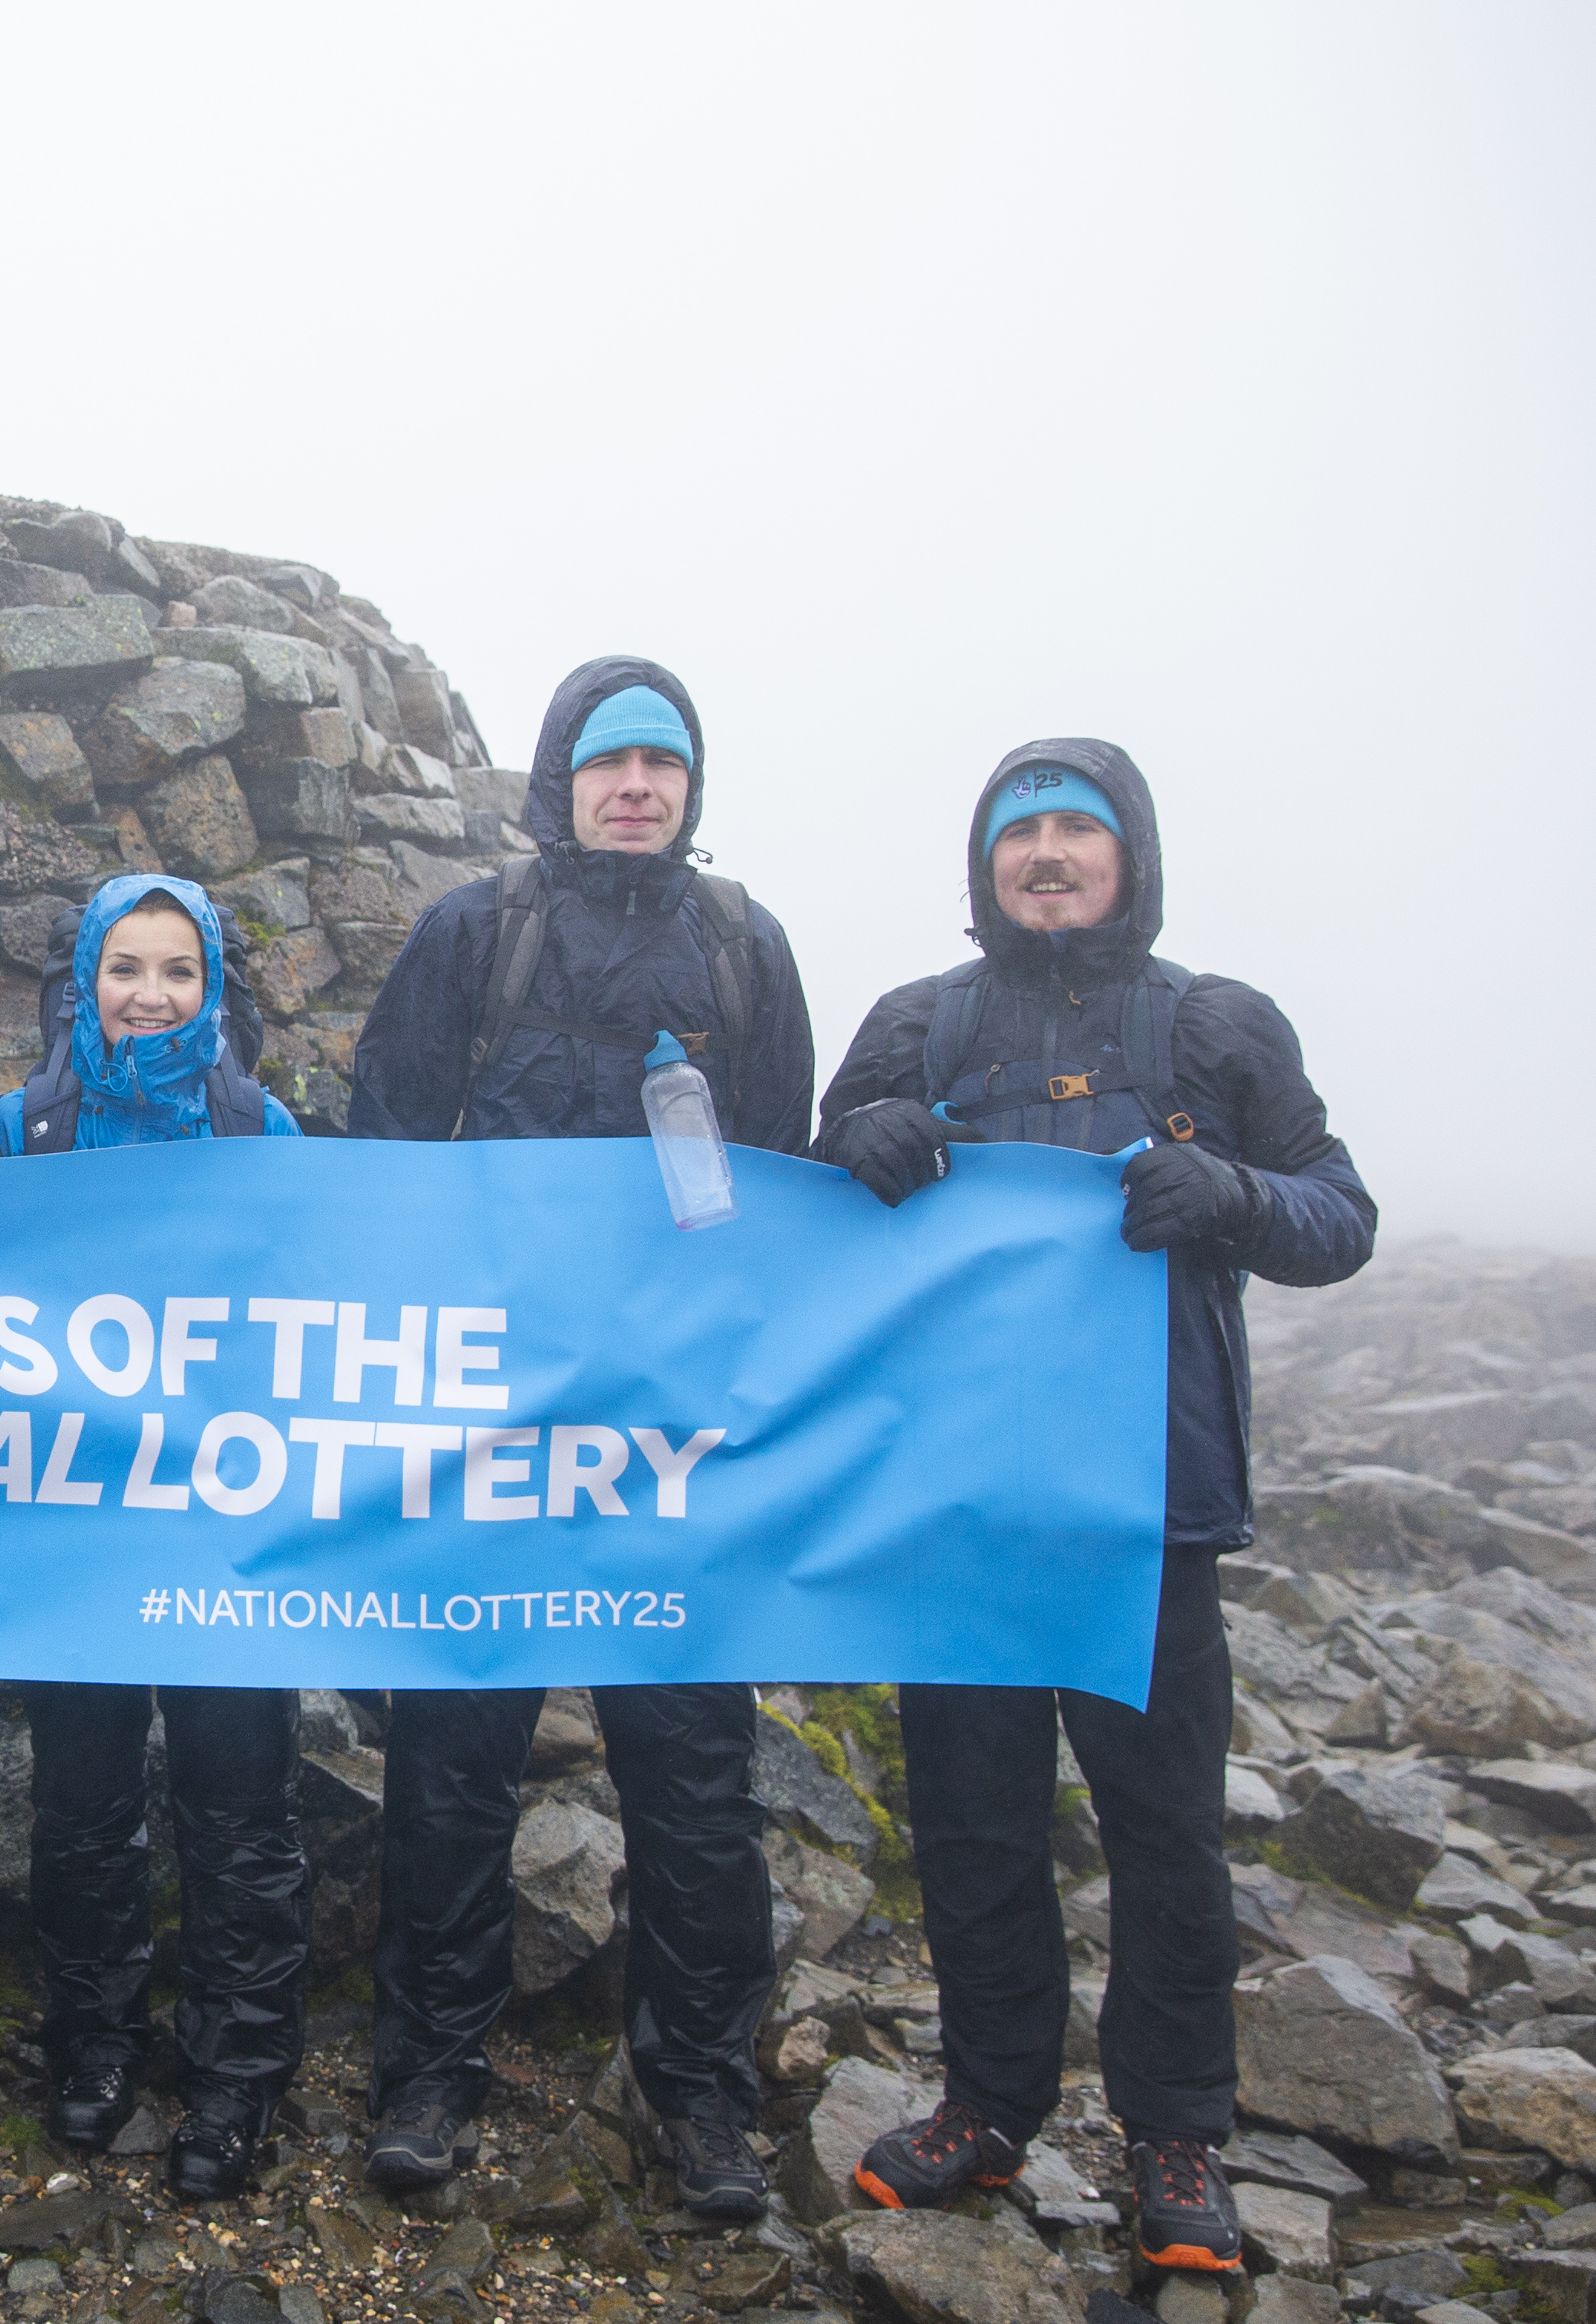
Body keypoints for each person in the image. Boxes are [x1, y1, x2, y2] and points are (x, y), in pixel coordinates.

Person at [823, 745, 1374, 2273]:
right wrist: (851, 1144)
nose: (1048, 853)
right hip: (958, 1505)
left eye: (1078, 829)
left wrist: (1243, 1202)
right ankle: (987, 2107)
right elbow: (815, 1202)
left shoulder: (1214, 1027)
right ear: (985, 861)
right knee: (975, 1827)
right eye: (1021, 833)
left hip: (1148, 1513)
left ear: (1130, 853)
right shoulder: (918, 1021)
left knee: (1167, 1835)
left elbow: (1342, 1208)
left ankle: (1177, 2137)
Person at [343, 656, 813, 2220]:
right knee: (450, 1764)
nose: (635, 787)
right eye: (608, 761)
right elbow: (384, 1163)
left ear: (690, 787)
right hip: (488, 1437)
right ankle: (428, 2069)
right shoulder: (476, 936)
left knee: (694, 1781)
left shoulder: (745, 951)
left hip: (666, 1457)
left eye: (662, 765)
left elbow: (782, 1193)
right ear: (559, 777)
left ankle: (703, 2100)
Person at [0, 874, 312, 2203]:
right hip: (78, 1528)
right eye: (126, 968)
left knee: (240, 1810)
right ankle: (93, 2044)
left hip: (226, 1532)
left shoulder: (266, 1126)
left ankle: (238, 2076)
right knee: (83, 1802)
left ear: (213, 988)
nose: (151, 995)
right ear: (86, 976)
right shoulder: (25, 1126)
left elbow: (324, 1308)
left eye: (178, 972)